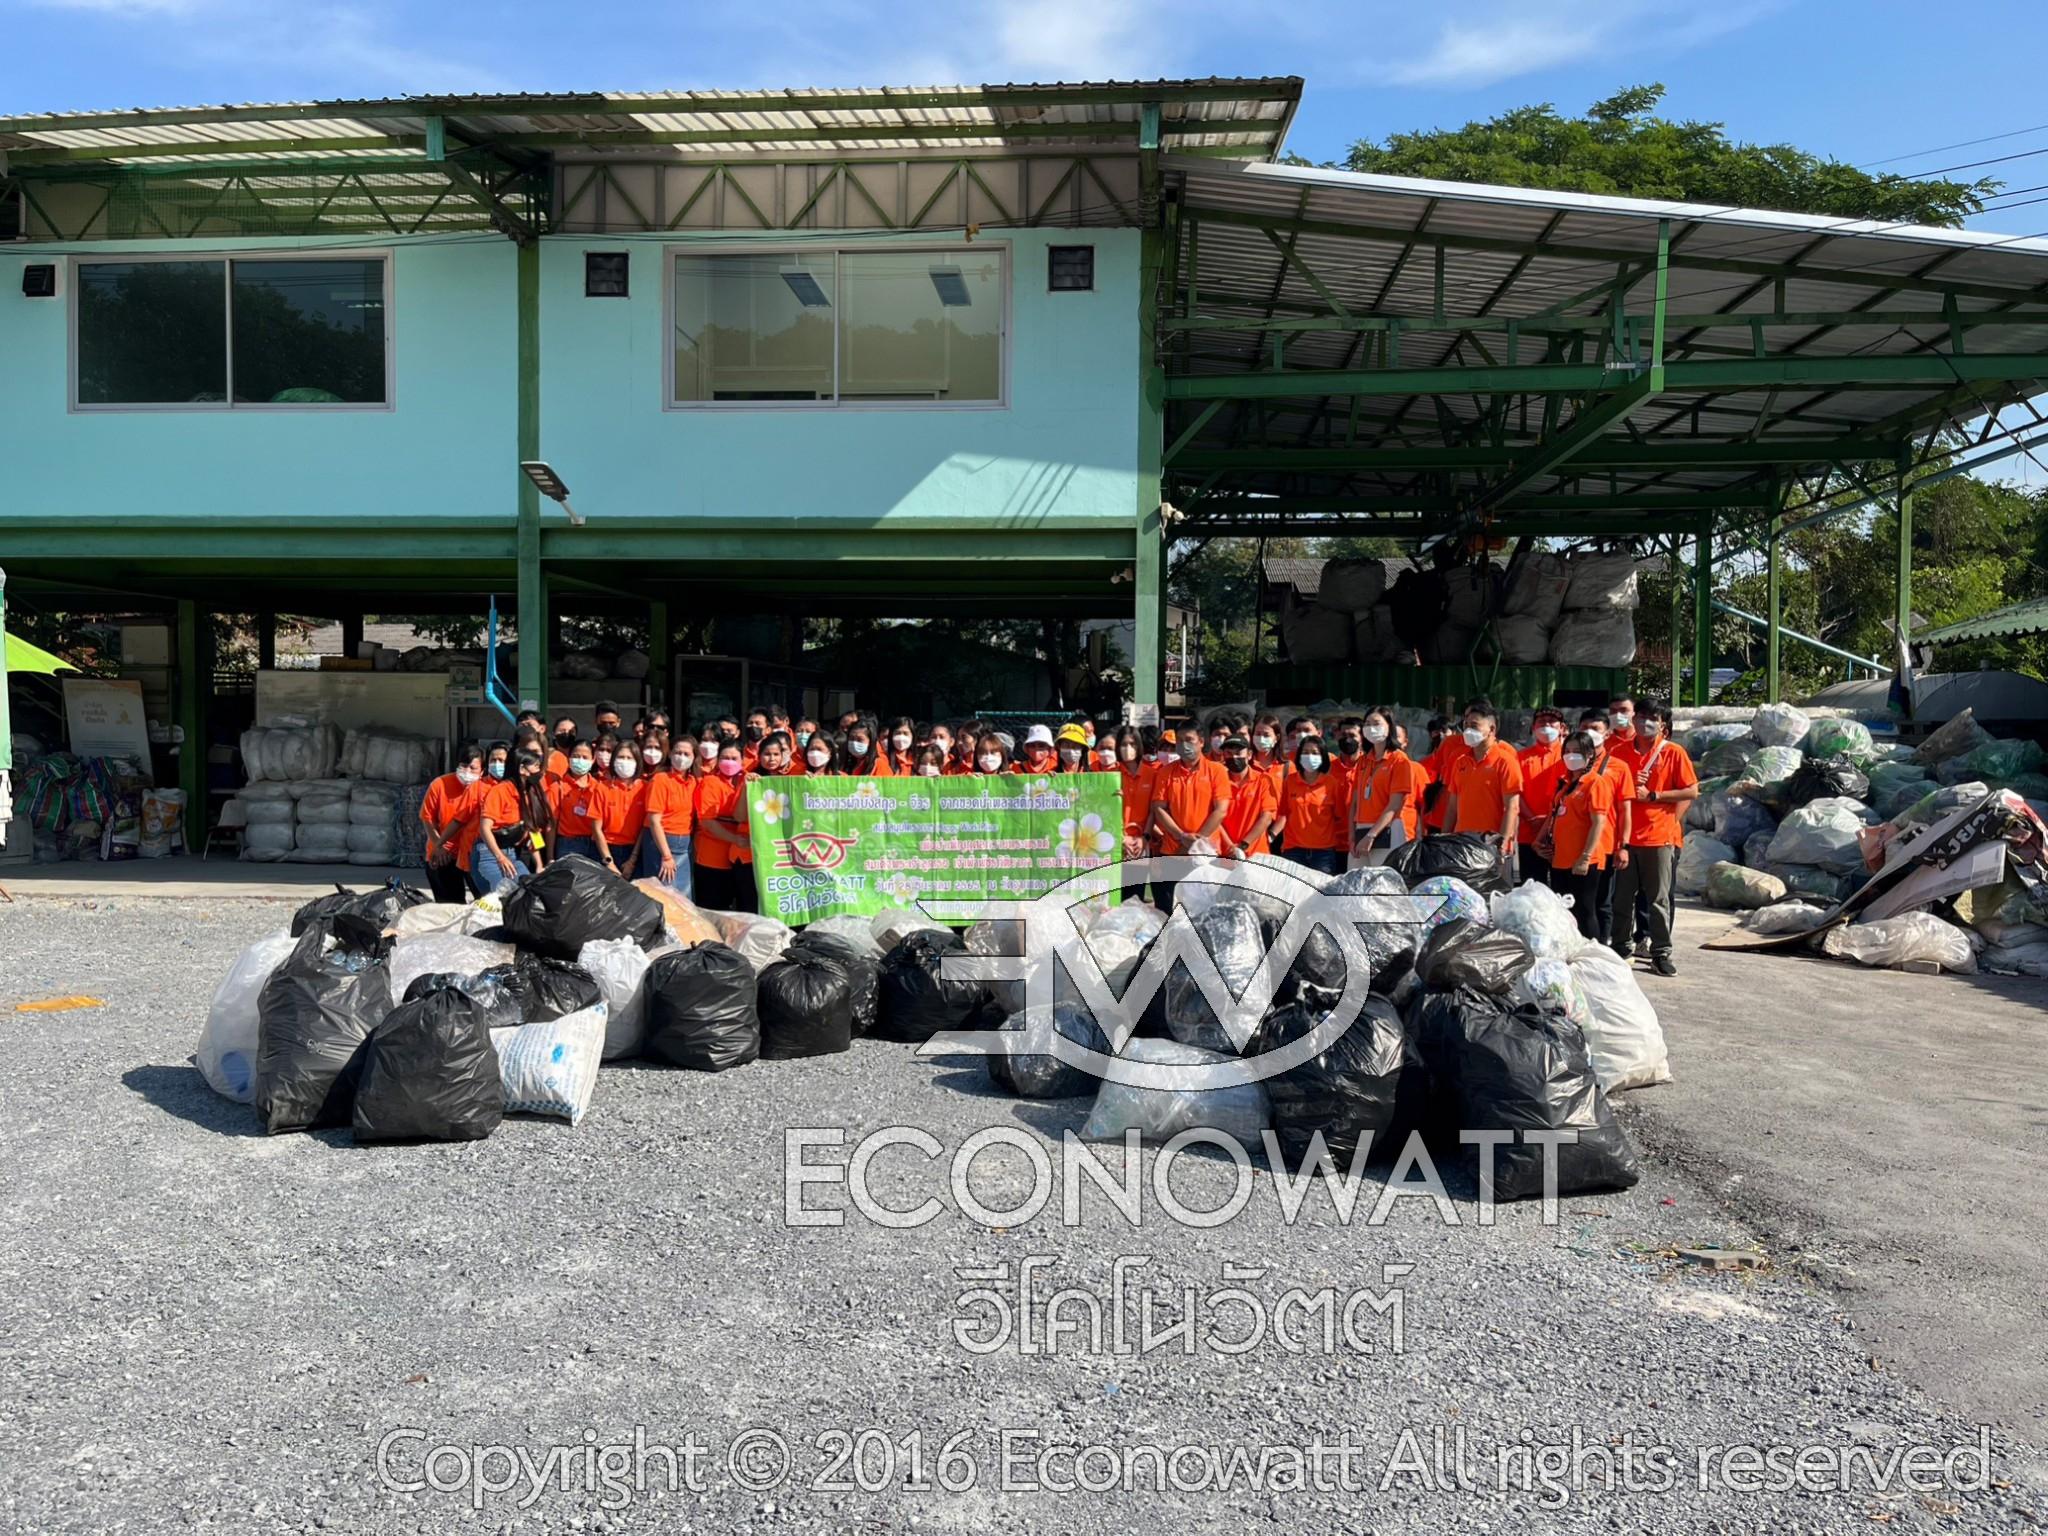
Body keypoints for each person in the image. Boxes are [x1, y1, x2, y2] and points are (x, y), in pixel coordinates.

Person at [1612, 699, 1698, 975]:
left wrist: (1654, 795)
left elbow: (1691, 791)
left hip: (1659, 838)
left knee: (1658, 899)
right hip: (1625, 837)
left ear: (1663, 724)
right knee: (1621, 898)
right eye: (1641, 716)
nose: (1645, 722)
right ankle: (1621, 947)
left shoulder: (1673, 752)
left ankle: (1661, 952)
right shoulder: (1619, 752)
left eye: (1652, 717)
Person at [1544, 730, 1615, 938]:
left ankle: (1592, 950)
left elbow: (1598, 822)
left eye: (1577, 751)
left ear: (1590, 754)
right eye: (1567, 751)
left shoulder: (1595, 782)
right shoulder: (1566, 784)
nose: (1571, 755)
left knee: (1585, 910)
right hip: (1561, 858)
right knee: (1565, 912)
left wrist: (1585, 857)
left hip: (1583, 859)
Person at [1442, 699, 1523, 875]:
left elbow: (1512, 807)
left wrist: (1502, 844)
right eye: (1465, 725)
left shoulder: (1505, 761)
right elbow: (1452, 807)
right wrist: (1444, 839)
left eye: (1474, 725)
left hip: (1491, 846)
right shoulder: (1460, 762)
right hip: (1463, 844)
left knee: (1494, 891)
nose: (1467, 730)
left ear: (1491, 729)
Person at [1352, 705, 1425, 864]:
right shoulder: (1363, 761)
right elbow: (1355, 802)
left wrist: (1371, 835)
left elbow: (1394, 805)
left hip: (1387, 830)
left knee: (1384, 878)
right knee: (1357, 879)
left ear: (1389, 727)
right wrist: (1351, 836)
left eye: (1376, 723)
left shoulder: (1399, 760)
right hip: (1361, 829)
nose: (1371, 728)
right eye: (1367, 724)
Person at [473, 748, 549, 896]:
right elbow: (484, 828)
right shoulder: (500, 791)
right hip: (489, 854)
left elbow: (533, 832)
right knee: (501, 896)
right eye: (536, 766)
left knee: (527, 893)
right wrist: (500, 857)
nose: (540, 771)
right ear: (522, 769)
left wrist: (539, 865)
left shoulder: (529, 793)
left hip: (512, 854)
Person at [419, 746, 487, 903]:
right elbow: (427, 818)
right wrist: (439, 846)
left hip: (473, 855)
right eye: (463, 766)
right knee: (448, 907)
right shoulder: (440, 784)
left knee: (484, 904)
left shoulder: (486, 789)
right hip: (443, 854)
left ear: (482, 771)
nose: (467, 771)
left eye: (473, 768)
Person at [692, 741, 754, 911]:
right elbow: (707, 821)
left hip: (741, 858)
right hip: (713, 857)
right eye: (725, 758)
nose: (729, 762)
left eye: (734, 758)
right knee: (713, 909)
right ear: (718, 760)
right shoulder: (710, 782)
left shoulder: (749, 780)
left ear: (742, 760)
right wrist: (735, 839)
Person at [1273, 733, 1346, 876]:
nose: (1309, 756)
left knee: (1319, 889)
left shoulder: (1332, 784)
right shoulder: (1290, 781)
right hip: (1293, 850)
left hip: (1323, 853)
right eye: (1305, 752)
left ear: (1323, 756)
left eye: (1314, 753)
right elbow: (1283, 813)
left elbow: (1339, 816)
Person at [1149, 730, 1230, 856]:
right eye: (1180, 740)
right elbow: (1159, 808)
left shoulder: (1217, 770)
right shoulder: (1165, 772)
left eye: (1189, 740)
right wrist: (1181, 836)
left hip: (1207, 849)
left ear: (1201, 742)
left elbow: (1221, 810)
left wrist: (1195, 842)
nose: (1184, 745)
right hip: (1173, 849)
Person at [1515, 708, 1567, 887]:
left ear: (1562, 728)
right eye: (1541, 721)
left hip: (1562, 833)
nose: (1546, 725)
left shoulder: (1569, 756)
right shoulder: (1520, 757)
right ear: (1533, 727)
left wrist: (1549, 822)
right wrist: (1532, 819)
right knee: (1531, 891)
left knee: (1563, 890)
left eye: (1552, 721)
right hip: (1528, 833)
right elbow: (1514, 792)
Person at [642, 730, 694, 897]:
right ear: (670, 754)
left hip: (684, 844)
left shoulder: (692, 782)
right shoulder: (660, 779)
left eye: (686, 754)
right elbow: (654, 821)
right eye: (678, 752)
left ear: (694, 757)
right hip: (661, 844)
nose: (681, 757)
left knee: (683, 898)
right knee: (663, 896)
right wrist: (666, 856)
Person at [591, 739, 649, 880]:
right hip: (605, 850)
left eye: (629, 758)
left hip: (635, 851)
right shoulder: (601, 787)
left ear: (637, 762)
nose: (624, 761)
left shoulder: (645, 788)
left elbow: (645, 826)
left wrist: (632, 860)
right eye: (621, 757)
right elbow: (596, 829)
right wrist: (609, 863)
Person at [1217, 735, 1278, 860]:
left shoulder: (1264, 780)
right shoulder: (1217, 781)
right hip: (1224, 854)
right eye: (1229, 753)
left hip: (1257, 854)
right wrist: (1230, 847)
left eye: (1238, 753)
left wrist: (1243, 846)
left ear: (1249, 755)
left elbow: (1266, 818)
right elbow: (1214, 818)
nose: (1234, 757)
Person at [549, 739, 603, 861]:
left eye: (585, 757)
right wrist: (550, 857)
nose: (580, 760)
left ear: (593, 759)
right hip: (568, 844)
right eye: (576, 756)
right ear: (569, 758)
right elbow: (551, 825)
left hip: (595, 843)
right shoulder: (557, 787)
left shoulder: (598, 787)